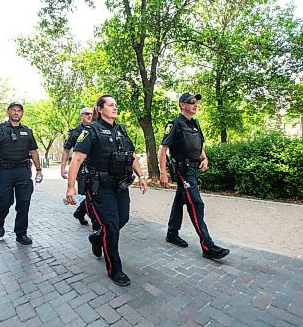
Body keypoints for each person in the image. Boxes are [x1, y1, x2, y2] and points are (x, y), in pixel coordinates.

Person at [65, 94, 147, 286]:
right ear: (100, 109)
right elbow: (76, 159)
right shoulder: (91, 130)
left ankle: (96, 237)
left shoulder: (121, 130)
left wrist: (141, 176)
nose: (115, 108)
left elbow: (132, 155)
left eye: (115, 105)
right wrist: (70, 187)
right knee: (111, 226)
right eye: (110, 105)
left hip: (120, 185)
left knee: (122, 219)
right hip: (100, 187)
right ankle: (114, 270)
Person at [158, 92, 230, 260]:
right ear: (182, 105)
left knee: (179, 200)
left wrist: (204, 158)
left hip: (194, 168)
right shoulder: (174, 124)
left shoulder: (195, 124)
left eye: (196, 102)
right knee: (196, 204)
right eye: (191, 102)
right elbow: (162, 149)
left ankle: (172, 233)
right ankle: (207, 245)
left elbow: (200, 145)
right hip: (183, 171)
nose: (195, 104)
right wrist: (163, 173)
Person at [0, 102, 43, 246]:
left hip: (23, 171)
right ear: (8, 112)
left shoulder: (28, 131)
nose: (16, 113)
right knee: (3, 201)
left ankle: (21, 234)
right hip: (4, 172)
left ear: (22, 114)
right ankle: (0, 221)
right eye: (13, 110)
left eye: (19, 111)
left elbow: (33, 151)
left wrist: (39, 169)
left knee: (24, 203)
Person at [61, 107, 93, 225]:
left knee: (95, 194)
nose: (89, 115)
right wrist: (63, 167)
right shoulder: (75, 132)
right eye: (86, 114)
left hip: (95, 167)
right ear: (81, 115)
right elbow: (66, 149)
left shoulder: (96, 128)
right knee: (84, 195)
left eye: (91, 113)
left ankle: (79, 212)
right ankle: (82, 213)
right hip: (81, 168)